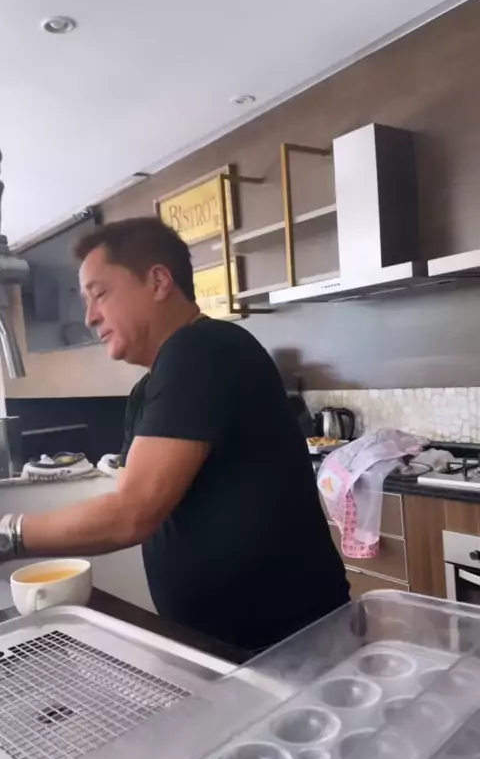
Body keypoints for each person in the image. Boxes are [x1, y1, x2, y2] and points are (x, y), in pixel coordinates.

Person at [0, 217, 350, 657]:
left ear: (159, 281)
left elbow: (131, 514)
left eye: (99, 294)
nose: (89, 317)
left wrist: (9, 534)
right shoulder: (148, 388)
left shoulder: (202, 349)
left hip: (291, 644)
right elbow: (135, 500)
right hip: (222, 645)